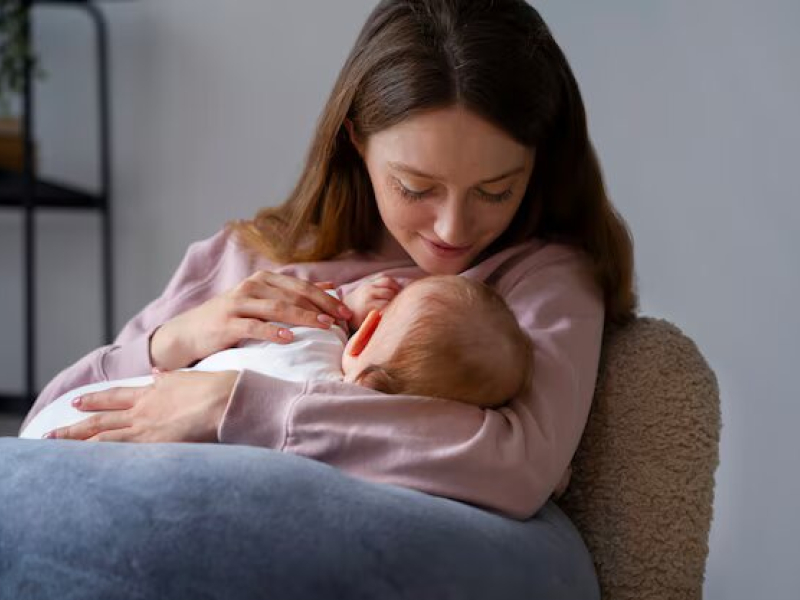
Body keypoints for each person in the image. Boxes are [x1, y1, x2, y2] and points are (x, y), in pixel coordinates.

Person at [20, 0, 636, 525]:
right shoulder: (247, 259)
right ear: (355, 140)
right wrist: (175, 339)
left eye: (495, 190)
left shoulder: (538, 281)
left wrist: (233, 407)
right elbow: (48, 425)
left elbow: (518, 465)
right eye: (416, 188)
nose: (454, 229)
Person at [20, 274, 533, 439]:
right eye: (416, 186)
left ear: (367, 328)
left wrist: (348, 303)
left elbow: (316, 319)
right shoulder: (344, 422)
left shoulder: (311, 335)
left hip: (79, 415)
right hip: (102, 417)